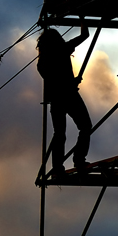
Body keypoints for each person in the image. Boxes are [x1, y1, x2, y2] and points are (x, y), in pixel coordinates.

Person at [36, 23, 92, 175]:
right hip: (69, 96)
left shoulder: (42, 62)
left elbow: (52, 79)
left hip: (56, 99)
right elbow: (85, 36)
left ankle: (58, 167)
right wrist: (82, 19)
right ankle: (79, 159)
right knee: (85, 127)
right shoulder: (63, 49)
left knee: (59, 133)